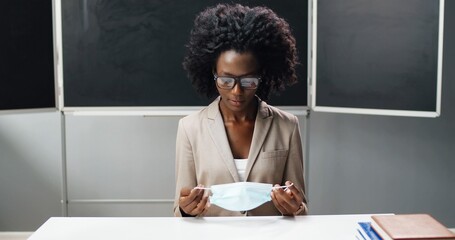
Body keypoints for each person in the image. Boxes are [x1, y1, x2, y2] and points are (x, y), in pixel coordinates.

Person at [174, 3, 308, 217]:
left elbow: (300, 205)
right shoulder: (190, 128)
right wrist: (186, 210)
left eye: (248, 80)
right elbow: (179, 210)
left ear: (262, 75)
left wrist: (296, 208)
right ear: (212, 73)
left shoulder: (287, 126)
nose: (237, 91)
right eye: (226, 80)